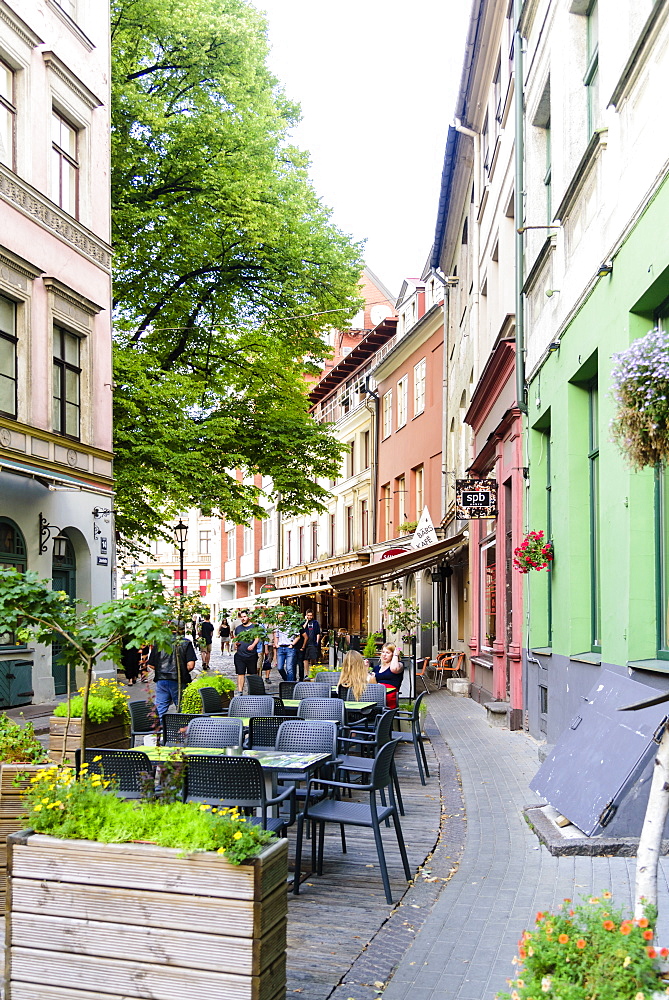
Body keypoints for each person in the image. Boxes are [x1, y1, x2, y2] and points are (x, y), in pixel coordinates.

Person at [148, 622, 196, 719]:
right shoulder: (186, 643)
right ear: (183, 629)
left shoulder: (159, 642)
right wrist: (181, 671)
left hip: (161, 679)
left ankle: (161, 732)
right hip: (178, 680)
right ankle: (180, 730)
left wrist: (162, 670)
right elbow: (190, 665)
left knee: (160, 709)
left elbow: (151, 665)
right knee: (182, 708)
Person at [233, 609, 262, 692]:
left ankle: (251, 691)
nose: (243, 618)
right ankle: (240, 691)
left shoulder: (254, 627)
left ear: (249, 617)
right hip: (240, 655)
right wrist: (236, 644)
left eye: (244, 617)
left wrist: (253, 645)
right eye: (241, 617)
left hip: (251, 655)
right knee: (240, 673)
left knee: (251, 674)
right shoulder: (238, 628)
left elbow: (257, 638)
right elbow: (236, 639)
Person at [370, 642, 404, 709]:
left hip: (389, 697)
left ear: (393, 654)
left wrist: (396, 655)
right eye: (383, 652)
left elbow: (394, 669)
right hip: (376, 695)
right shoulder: (377, 668)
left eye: (387, 653)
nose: (384, 655)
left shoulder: (399, 665)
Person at [274, 611, 302, 683]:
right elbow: (276, 636)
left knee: (289, 668)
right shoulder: (278, 625)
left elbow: (298, 636)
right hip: (280, 647)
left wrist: (292, 644)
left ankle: (289, 685)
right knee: (280, 668)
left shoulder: (291, 624)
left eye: (282, 614)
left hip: (289, 648)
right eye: (279, 614)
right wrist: (276, 644)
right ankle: (287, 681)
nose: (280, 616)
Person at [301, 609, 322, 677]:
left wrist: (317, 642)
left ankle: (313, 672)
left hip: (313, 642)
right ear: (306, 615)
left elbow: (318, 633)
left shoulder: (315, 623)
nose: (309, 617)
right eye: (308, 615)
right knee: (305, 659)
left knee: (313, 658)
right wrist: (306, 621)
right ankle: (307, 673)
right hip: (305, 643)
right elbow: (302, 629)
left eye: (311, 615)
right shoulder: (303, 622)